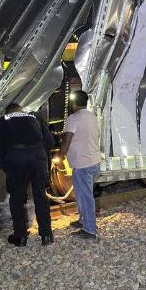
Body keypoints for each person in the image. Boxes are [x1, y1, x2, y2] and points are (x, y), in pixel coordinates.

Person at [0, 102, 55, 246]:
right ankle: (46, 235)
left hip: (15, 159)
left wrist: (6, 166)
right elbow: (50, 142)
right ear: (21, 110)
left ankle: (20, 237)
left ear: (7, 112)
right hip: (38, 159)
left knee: (16, 198)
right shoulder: (35, 118)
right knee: (40, 195)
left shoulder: (2, 121)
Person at [58, 90, 100, 240]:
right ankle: (83, 221)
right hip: (93, 162)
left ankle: (90, 229)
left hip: (83, 165)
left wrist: (60, 155)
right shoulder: (92, 117)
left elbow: (67, 140)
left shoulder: (73, 118)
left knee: (85, 197)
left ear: (73, 103)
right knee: (83, 196)